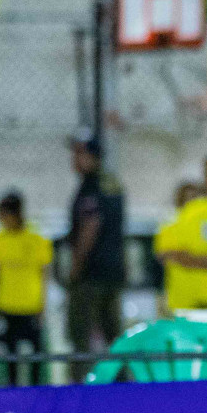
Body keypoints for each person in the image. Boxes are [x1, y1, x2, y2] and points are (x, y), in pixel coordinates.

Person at [65, 132, 126, 381]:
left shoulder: (91, 186)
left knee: (81, 333)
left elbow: (91, 226)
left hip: (91, 273)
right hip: (113, 270)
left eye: (80, 153)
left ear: (94, 156)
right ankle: (123, 384)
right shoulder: (111, 183)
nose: (75, 159)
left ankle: (80, 387)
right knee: (113, 334)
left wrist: (75, 267)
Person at [0, 191, 52, 386]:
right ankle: (13, 391)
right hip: (7, 306)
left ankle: (36, 392)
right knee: (10, 356)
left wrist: (43, 305)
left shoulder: (37, 239)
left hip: (31, 307)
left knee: (36, 355)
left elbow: (44, 275)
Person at [154, 159, 207, 311]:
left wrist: (189, 259)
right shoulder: (180, 218)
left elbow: (169, 254)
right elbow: (166, 254)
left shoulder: (183, 217)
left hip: (193, 301)